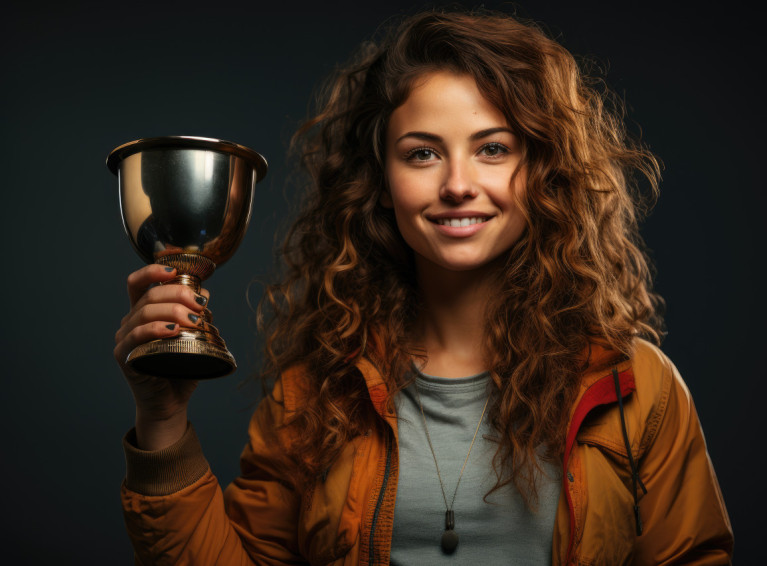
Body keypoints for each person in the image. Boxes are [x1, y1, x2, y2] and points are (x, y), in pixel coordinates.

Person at [115, 10, 733, 565]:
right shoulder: (316, 392)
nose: (458, 184)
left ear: (541, 173)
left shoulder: (635, 387)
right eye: (422, 154)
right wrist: (162, 419)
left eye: (493, 149)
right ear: (381, 182)